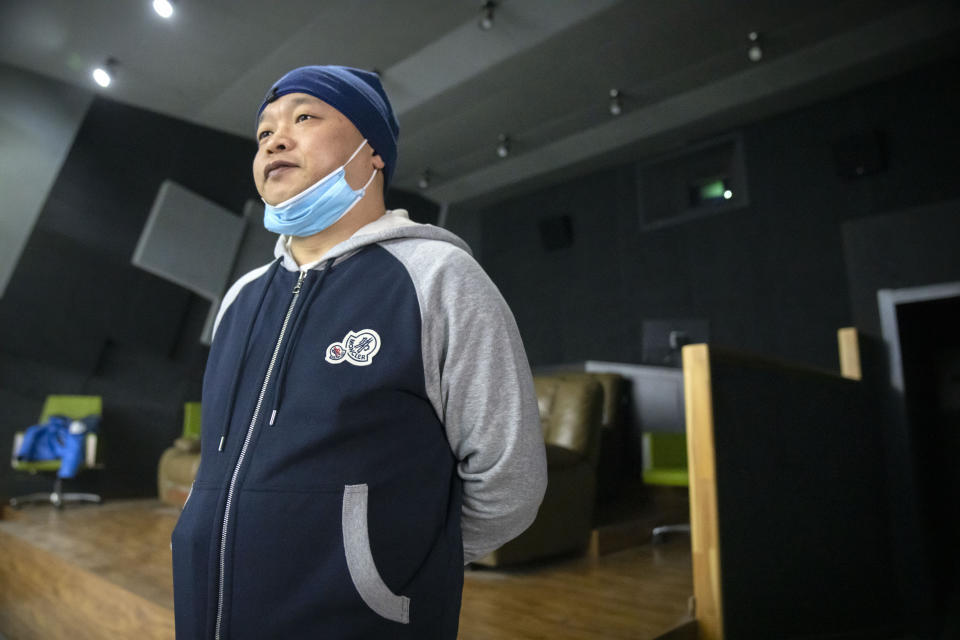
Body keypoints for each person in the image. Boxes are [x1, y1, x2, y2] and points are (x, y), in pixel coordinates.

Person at [170, 65, 547, 639]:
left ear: (373, 152)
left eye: (304, 117)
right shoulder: (240, 299)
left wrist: (384, 566)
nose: (275, 138)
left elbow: (509, 482)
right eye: (264, 131)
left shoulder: (438, 278)